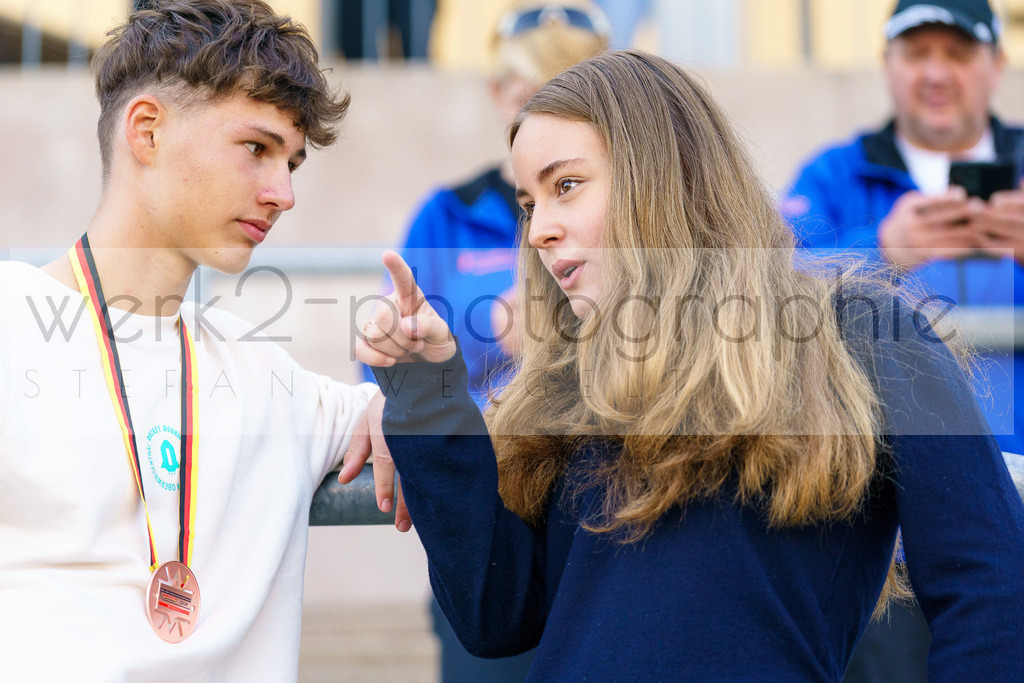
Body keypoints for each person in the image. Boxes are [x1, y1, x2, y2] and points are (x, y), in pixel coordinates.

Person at [343, 50, 1024, 680]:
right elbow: (495, 614)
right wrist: (427, 396)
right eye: (529, 202)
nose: (539, 227)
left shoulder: (863, 336)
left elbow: (989, 585)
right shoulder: (565, 378)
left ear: (661, 173)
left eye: (567, 185)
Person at [0, 1, 379, 680]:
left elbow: (419, 422)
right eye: (257, 149)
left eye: (292, 162)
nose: (283, 192)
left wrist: (417, 383)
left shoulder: (267, 375)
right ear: (146, 131)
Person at [361, 3, 608, 678]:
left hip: (608, 513)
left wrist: (568, 330)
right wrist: (474, 342)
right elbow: (386, 356)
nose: (527, 107)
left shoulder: (641, 203)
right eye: (517, 87)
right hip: (492, 508)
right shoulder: (450, 211)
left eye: (557, 85)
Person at [780, 1, 1024, 678]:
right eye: (917, 53)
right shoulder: (832, 175)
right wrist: (882, 247)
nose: (936, 73)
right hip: (880, 534)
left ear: (996, 65)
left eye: (957, 53)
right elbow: (756, 293)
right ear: (887, 66)